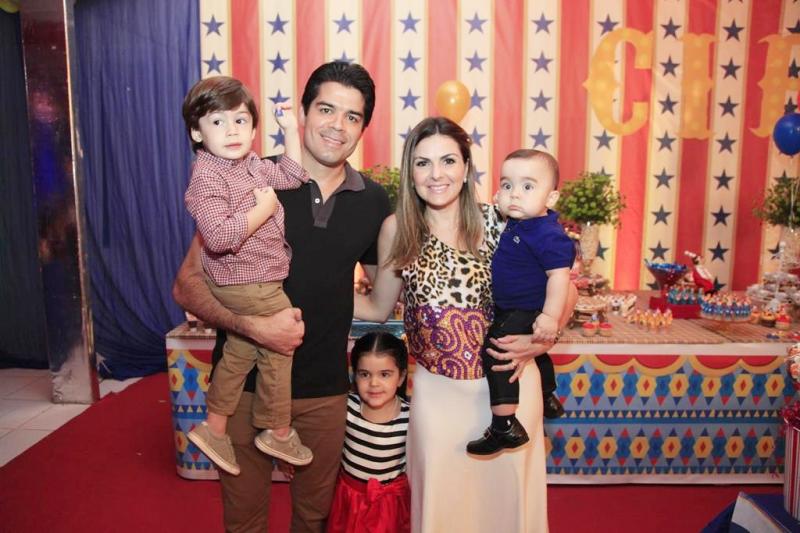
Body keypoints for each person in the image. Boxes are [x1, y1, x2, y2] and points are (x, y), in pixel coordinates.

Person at [173, 61, 391, 533]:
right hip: (245, 390)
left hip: (325, 393)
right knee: (245, 521)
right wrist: (253, 327)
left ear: (363, 129)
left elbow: (379, 297)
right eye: (326, 109)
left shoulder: (374, 201)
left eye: (352, 116)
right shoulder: (247, 174)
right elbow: (186, 285)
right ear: (303, 113)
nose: (337, 125)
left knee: (313, 519)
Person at [354, 117, 577, 532]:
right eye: (423, 163)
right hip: (437, 396)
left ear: (466, 166)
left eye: (448, 161)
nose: (436, 174)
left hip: (510, 390)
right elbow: (377, 307)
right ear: (410, 172)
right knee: (442, 509)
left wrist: (543, 339)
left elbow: (568, 289)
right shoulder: (397, 229)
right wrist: (310, 289)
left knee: (507, 510)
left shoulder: (506, 220)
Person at [182, 76, 312, 475]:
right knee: (282, 340)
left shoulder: (251, 165)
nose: (231, 131)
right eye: (217, 122)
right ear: (197, 132)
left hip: (256, 277)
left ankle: (214, 426)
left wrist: (291, 130)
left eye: (240, 121)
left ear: (254, 129)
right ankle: (277, 429)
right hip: (246, 280)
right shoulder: (208, 176)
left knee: (240, 351)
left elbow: (293, 175)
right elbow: (219, 237)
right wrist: (262, 212)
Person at [466, 149, 574, 455]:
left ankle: (504, 425)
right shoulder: (520, 221)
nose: (515, 194)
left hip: (527, 308)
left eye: (527, 186)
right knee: (536, 354)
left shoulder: (549, 234)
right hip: (513, 305)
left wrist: (550, 317)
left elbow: (560, 278)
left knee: (499, 350)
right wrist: (501, 202)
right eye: (507, 185)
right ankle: (548, 394)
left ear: (551, 198)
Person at [326, 332, 411, 533]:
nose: (374, 383)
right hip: (347, 500)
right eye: (364, 374)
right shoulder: (346, 406)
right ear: (354, 374)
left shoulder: (410, 418)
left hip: (388, 508)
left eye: (385, 374)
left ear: (401, 377)